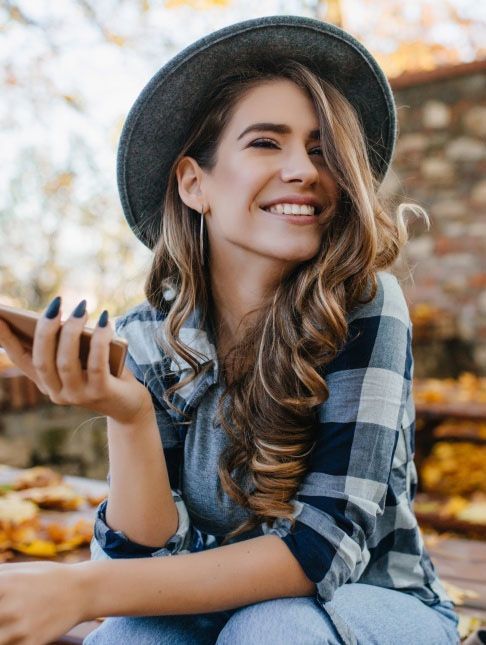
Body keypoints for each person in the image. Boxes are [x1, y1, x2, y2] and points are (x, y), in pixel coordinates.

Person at [0, 15, 460, 645]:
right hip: (213, 605)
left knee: (273, 628)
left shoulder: (364, 306)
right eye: (266, 143)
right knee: (133, 637)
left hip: (374, 604)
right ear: (195, 183)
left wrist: (80, 589)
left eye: (322, 148)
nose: (304, 169)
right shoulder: (146, 338)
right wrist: (128, 415)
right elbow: (143, 567)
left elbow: (319, 551)